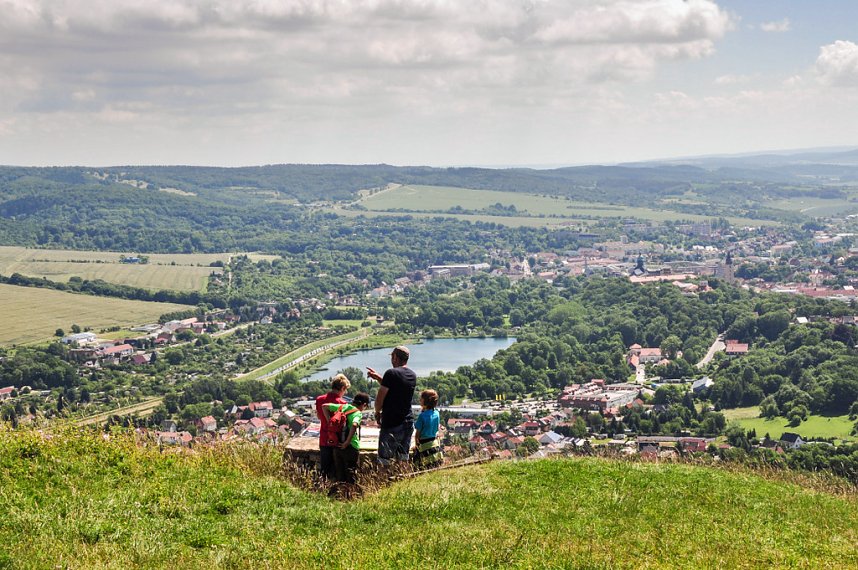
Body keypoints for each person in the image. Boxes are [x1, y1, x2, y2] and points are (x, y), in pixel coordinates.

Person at [367, 345, 416, 465]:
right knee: (403, 459)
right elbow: (395, 388)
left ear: (394, 357)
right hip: (407, 423)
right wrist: (379, 378)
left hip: (392, 423)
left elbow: (380, 398)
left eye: (392, 356)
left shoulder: (391, 373)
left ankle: (382, 483)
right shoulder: (412, 375)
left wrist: (377, 412)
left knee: (384, 461)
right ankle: (403, 482)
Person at [322, 392, 370, 484]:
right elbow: (354, 424)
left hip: (337, 445)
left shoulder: (342, 407)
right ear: (364, 404)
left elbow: (324, 406)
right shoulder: (357, 413)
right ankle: (351, 495)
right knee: (351, 475)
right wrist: (347, 442)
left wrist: (329, 422)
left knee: (340, 475)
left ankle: (341, 494)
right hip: (351, 447)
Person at [315, 373, 349, 479]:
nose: (345, 392)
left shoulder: (319, 400)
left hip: (324, 438)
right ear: (342, 388)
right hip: (337, 440)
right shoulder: (342, 403)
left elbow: (319, 417)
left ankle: (323, 490)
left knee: (324, 470)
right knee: (337, 469)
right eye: (345, 390)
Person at [413, 389, 442, 468]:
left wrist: (416, 445)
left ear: (426, 401)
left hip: (424, 444)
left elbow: (417, 433)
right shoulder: (437, 413)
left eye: (421, 399)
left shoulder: (422, 416)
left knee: (419, 465)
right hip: (434, 443)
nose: (419, 400)